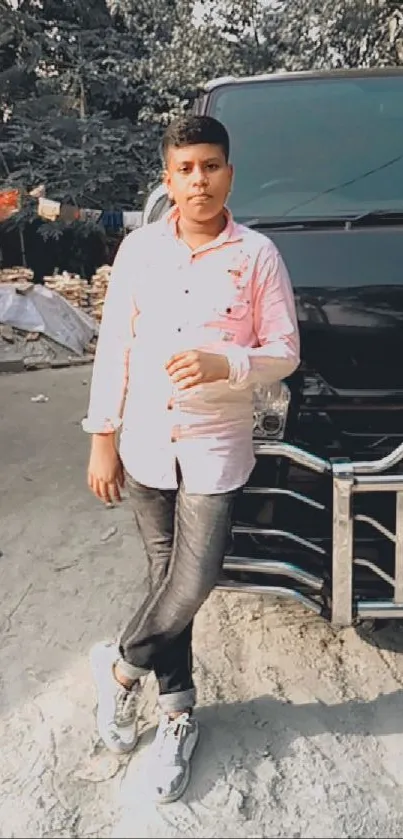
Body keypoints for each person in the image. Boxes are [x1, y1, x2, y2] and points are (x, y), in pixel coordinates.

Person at [83, 114, 300, 804]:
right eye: (184, 169)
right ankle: (176, 711)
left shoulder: (258, 255)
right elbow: (113, 345)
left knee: (194, 576)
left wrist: (225, 361)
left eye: (209, 166)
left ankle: (119, 669)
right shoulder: (139, 250)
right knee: (161, 576)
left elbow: (285, 354)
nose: (197, 180)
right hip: (147, 441)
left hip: (213, 445)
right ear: (167, 179)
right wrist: (102, 436)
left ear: (229, 174)